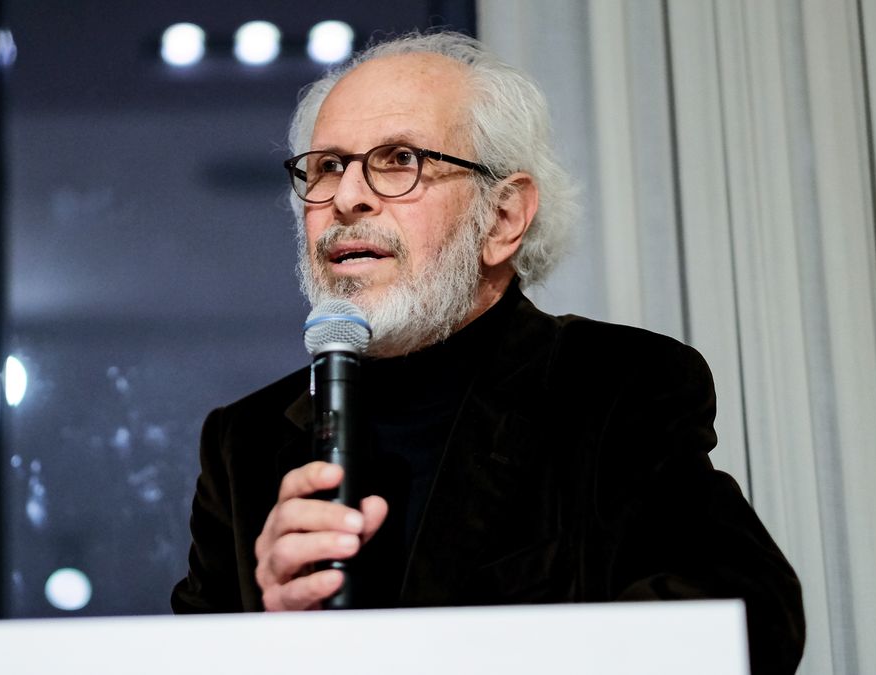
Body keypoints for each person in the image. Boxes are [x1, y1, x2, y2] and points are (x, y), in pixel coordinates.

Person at [171, 31, 805, 674]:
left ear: (502, 218)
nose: (346, 198)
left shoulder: (613, 385)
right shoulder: (243, 443)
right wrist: (272, 641)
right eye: (328, 166)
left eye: (398, 160)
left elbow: (748, 618)